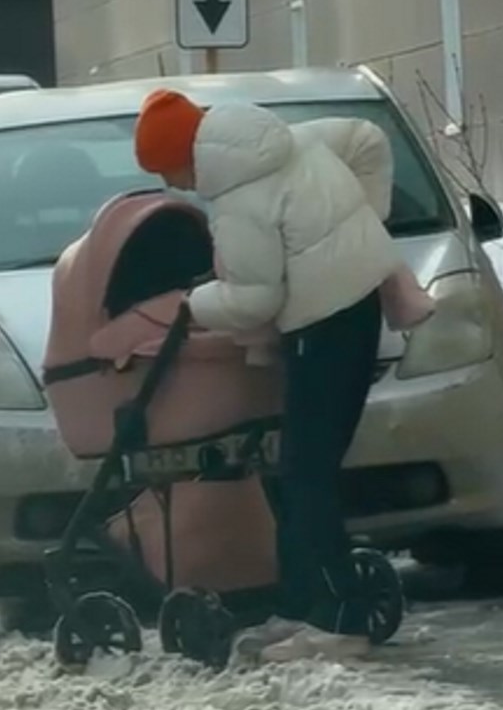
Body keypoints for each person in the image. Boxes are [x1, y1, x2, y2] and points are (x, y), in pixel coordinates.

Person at [132, 88, 432, 662]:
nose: (174, 185)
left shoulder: (240, 196)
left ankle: (341, 619)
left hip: (326, 324)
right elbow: (364, 140)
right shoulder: (282, 140)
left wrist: (194, 303)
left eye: (168, 170)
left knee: (306, 475)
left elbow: (252, 300)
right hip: (350, 310)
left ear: (185, 155)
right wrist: (362, 232)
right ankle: (301, 606)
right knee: (296, 470)